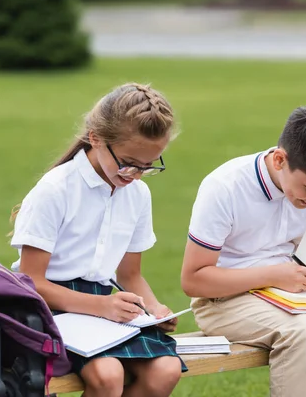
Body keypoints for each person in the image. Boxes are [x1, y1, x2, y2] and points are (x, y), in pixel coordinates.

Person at [181, 104, 306, 397]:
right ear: (279, 159)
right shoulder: (224, 187)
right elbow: (194, 280)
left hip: (293, 294)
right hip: (222, 301)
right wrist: (273, 275)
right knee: (302, 331)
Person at [10, 83, 186, 397]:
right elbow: (31, 281)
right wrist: (101, 306)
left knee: (167, 370)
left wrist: (155, 309)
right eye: (129, 162)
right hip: (48, 305)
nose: (136, 174)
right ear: (96, 138)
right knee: (107, 375)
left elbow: (129, 275)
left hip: (107, 305)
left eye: (148, 166)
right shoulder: (56, 189)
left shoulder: (138, 194)